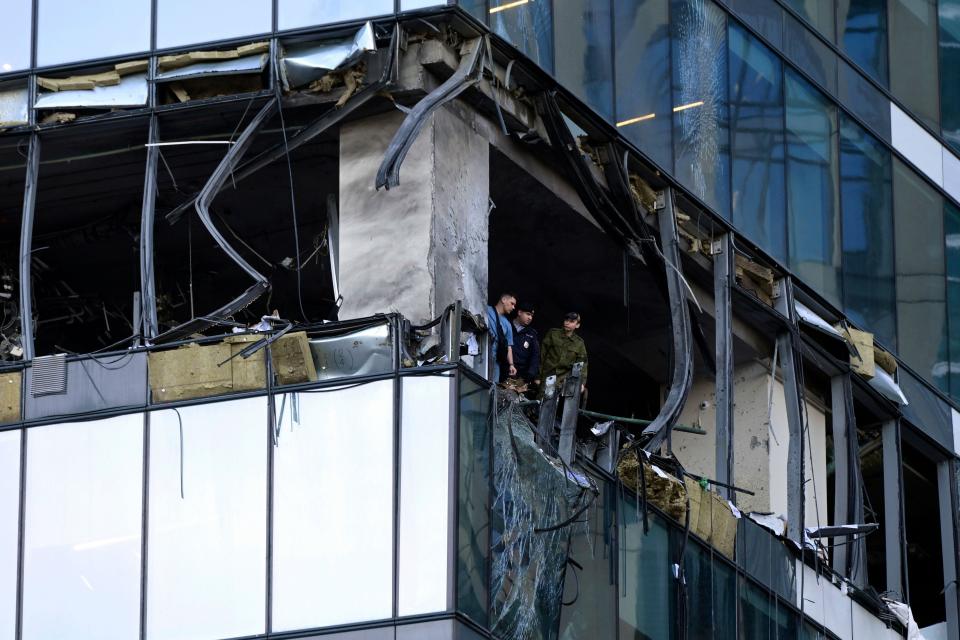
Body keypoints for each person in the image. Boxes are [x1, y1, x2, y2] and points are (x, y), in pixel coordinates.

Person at [539, 311, 588, 393]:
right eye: (566, 320)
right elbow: (542, 355)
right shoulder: (553, 334)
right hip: (547, 377)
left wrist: (581, 383)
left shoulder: (579, 343)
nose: (567, 323)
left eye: (572, 321)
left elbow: (582, 364)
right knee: (542, 401)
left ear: (577, 325)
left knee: (558, 404)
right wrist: (538, 376)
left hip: (563, 382)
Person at [486, 292, 517, 382]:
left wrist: (511, 364)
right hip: (481, 354)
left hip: (495, 360)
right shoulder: (486, 309)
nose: (513, 307)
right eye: (512, 303)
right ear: (503, 300)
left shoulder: (507, 324)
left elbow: (509, 346)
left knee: (493, 387)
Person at [511, 301, 540, 384]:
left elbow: (535, 355)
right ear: (519, 312)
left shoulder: (532, 334)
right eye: (528, 314)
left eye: (532, 315)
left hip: (521, 375)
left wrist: (531, 373)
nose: (530, 318)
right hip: (504, 368)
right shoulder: (507, 325)